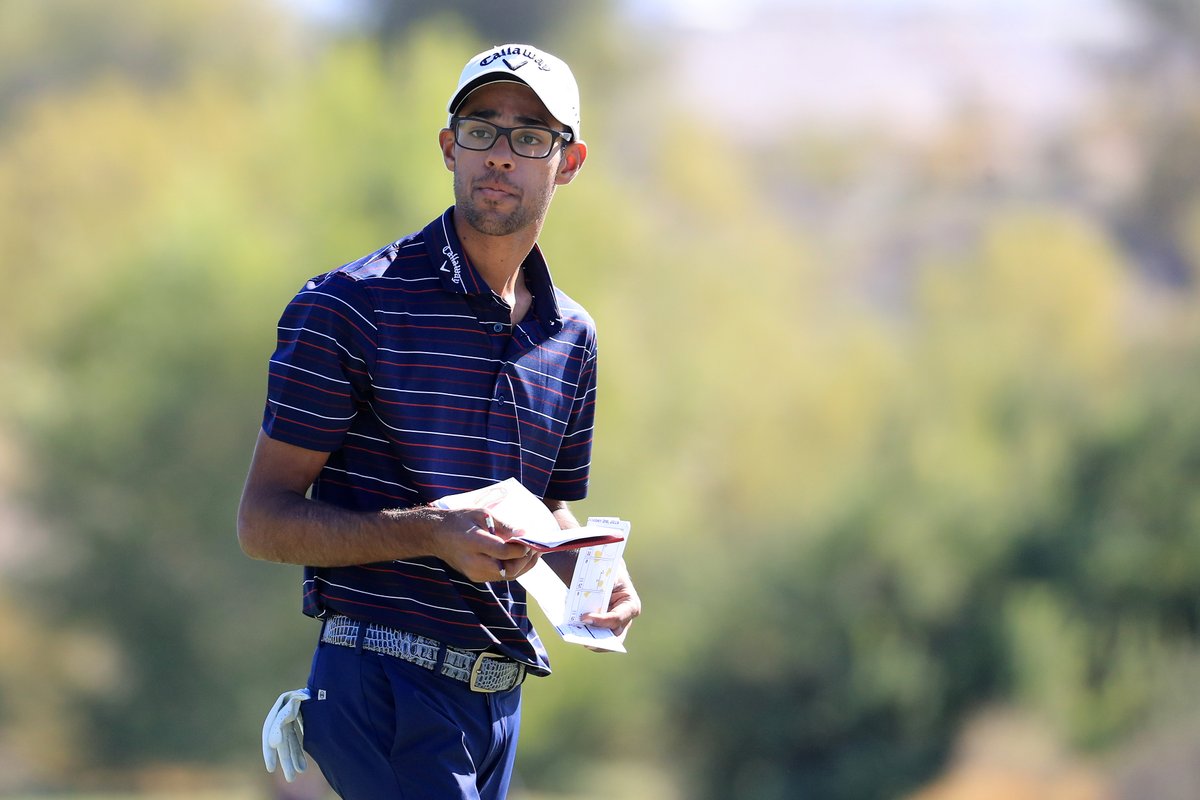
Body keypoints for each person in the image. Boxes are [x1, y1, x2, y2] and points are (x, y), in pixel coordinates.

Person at [238, 43, 641, 800]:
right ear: (449, 146)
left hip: (496, 698)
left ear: (571, 160)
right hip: (382, 688)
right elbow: (262, 521)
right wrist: (429, 532)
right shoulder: (349, 306)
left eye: (530, 136)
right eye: (483, 129)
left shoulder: (571, 337)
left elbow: (544, 507)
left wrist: (590, 574)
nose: (501, 154)